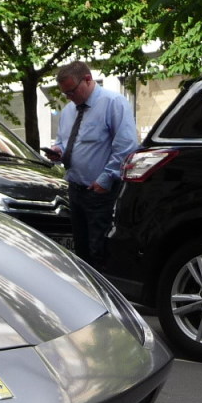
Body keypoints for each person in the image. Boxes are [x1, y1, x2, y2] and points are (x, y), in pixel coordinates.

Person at [43, 61, 138, 268]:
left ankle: (105, 296)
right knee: (82, 250)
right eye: (65, 94)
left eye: (72, 91)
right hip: (75, 189)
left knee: (99, 250)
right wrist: (58, 151)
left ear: (87, 79)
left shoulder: (114, 102)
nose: (69, 97)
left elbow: (126, 146)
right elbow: (63, 141)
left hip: (101, 191)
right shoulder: (69, 111)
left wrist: (105, 179)